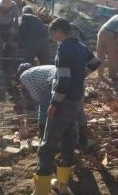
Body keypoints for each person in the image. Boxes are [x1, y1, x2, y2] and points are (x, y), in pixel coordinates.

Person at [33, 18, 101, 195]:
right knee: (68, 140)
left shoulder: (63, 48)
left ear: (58, 32)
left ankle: (41, 190)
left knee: (47, 146)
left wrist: (54, 104)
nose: (54, 39)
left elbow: (63, 81)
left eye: (53, 35)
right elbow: (95, 63)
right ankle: (62, 184)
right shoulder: (80, 46)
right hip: (75, 101)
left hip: (63, 102)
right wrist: (80, 76)